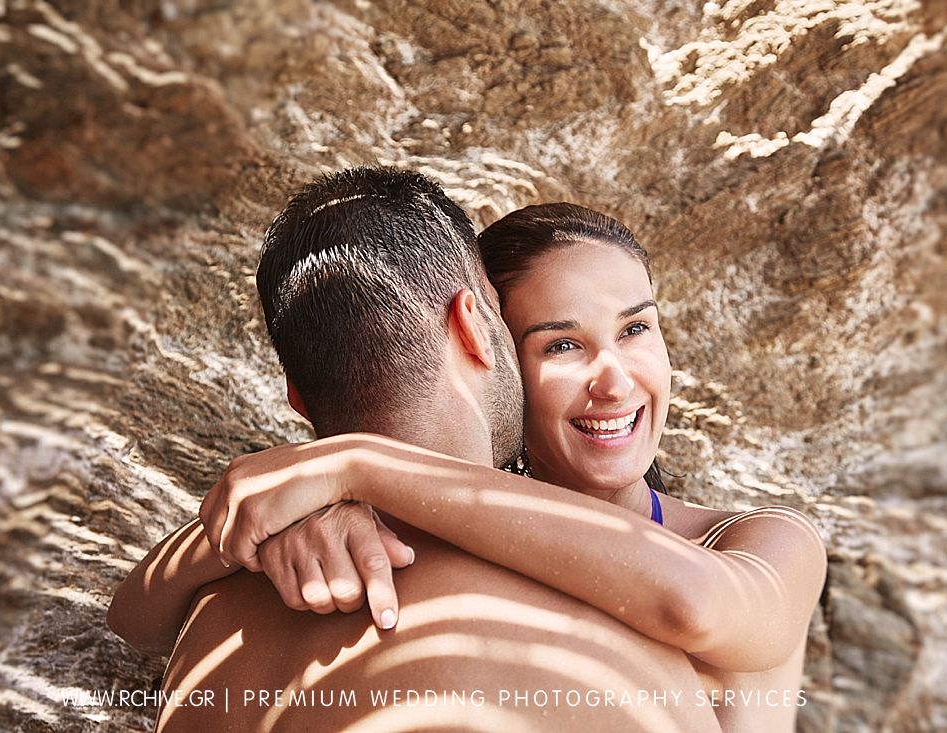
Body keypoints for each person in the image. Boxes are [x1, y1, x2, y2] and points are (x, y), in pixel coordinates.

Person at [108, 168, 723, 732]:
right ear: (475, 326)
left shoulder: (210, 611)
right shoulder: (601, 621)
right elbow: (697, 607)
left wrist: (316, 494)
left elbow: (129, 619)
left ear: (295, 395)